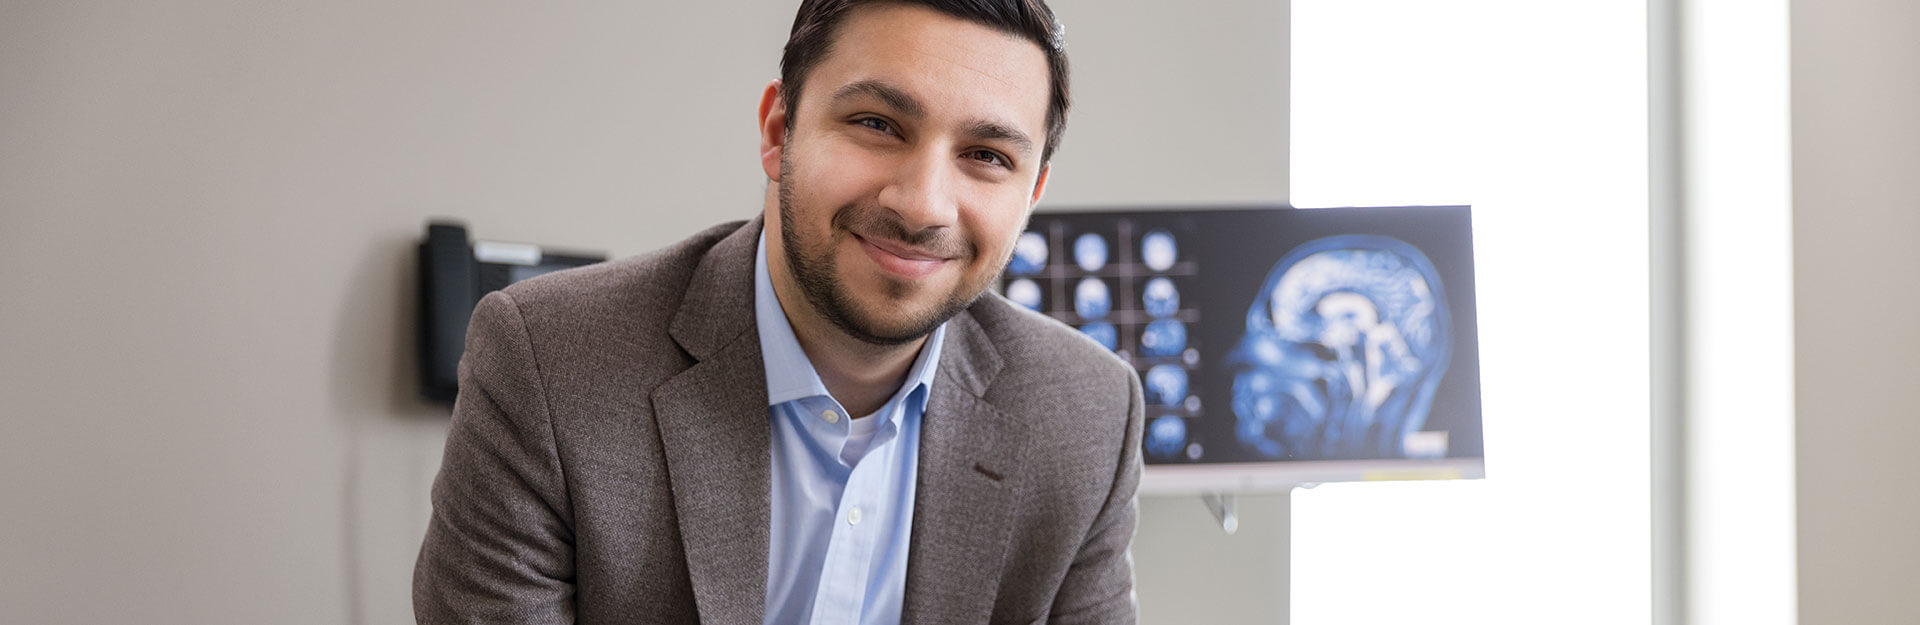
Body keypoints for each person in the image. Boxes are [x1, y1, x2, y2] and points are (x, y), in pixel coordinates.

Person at [412, 1, 1144, 623]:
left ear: (1033, 193)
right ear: (778, 129)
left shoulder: (1088, 417)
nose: (922, 204)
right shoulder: (549, 364)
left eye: (986, 155)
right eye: (878, 123)